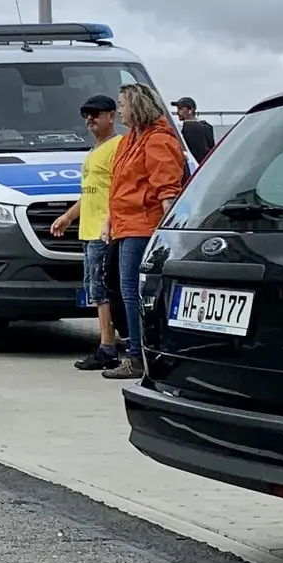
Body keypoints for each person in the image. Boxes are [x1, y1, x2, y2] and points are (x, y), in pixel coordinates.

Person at [102, 82, 186, 381]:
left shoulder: (157, 141)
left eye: (122, 105)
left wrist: (170, 233)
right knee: (125, 291)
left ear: (135, 106)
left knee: (132, 293)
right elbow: (119, 185)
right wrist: (110, 220)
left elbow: (167, 189)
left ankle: (138, 356)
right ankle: (137, 353)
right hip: (126, 225)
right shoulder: (130, 141)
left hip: (142, 225)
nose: (119, 110)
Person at [48, 95, 124, 369]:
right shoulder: (94, 151)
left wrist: (111, 221)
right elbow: (90, 194)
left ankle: (108, 347)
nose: (89, 119)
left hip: (105, 231)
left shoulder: (118, 147)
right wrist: (68, 217)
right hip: (89, 230)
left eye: (95, 114)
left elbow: (120, 190)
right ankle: (107, 344)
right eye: (86, 115)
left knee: (102, 290)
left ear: (111, 116)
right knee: (95, 290)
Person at [173, 97, 216, 165]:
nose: (178, 112)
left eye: (180, 109)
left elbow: (196, 153)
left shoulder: (189, 127)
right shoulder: (206, 126)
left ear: (190, 110)